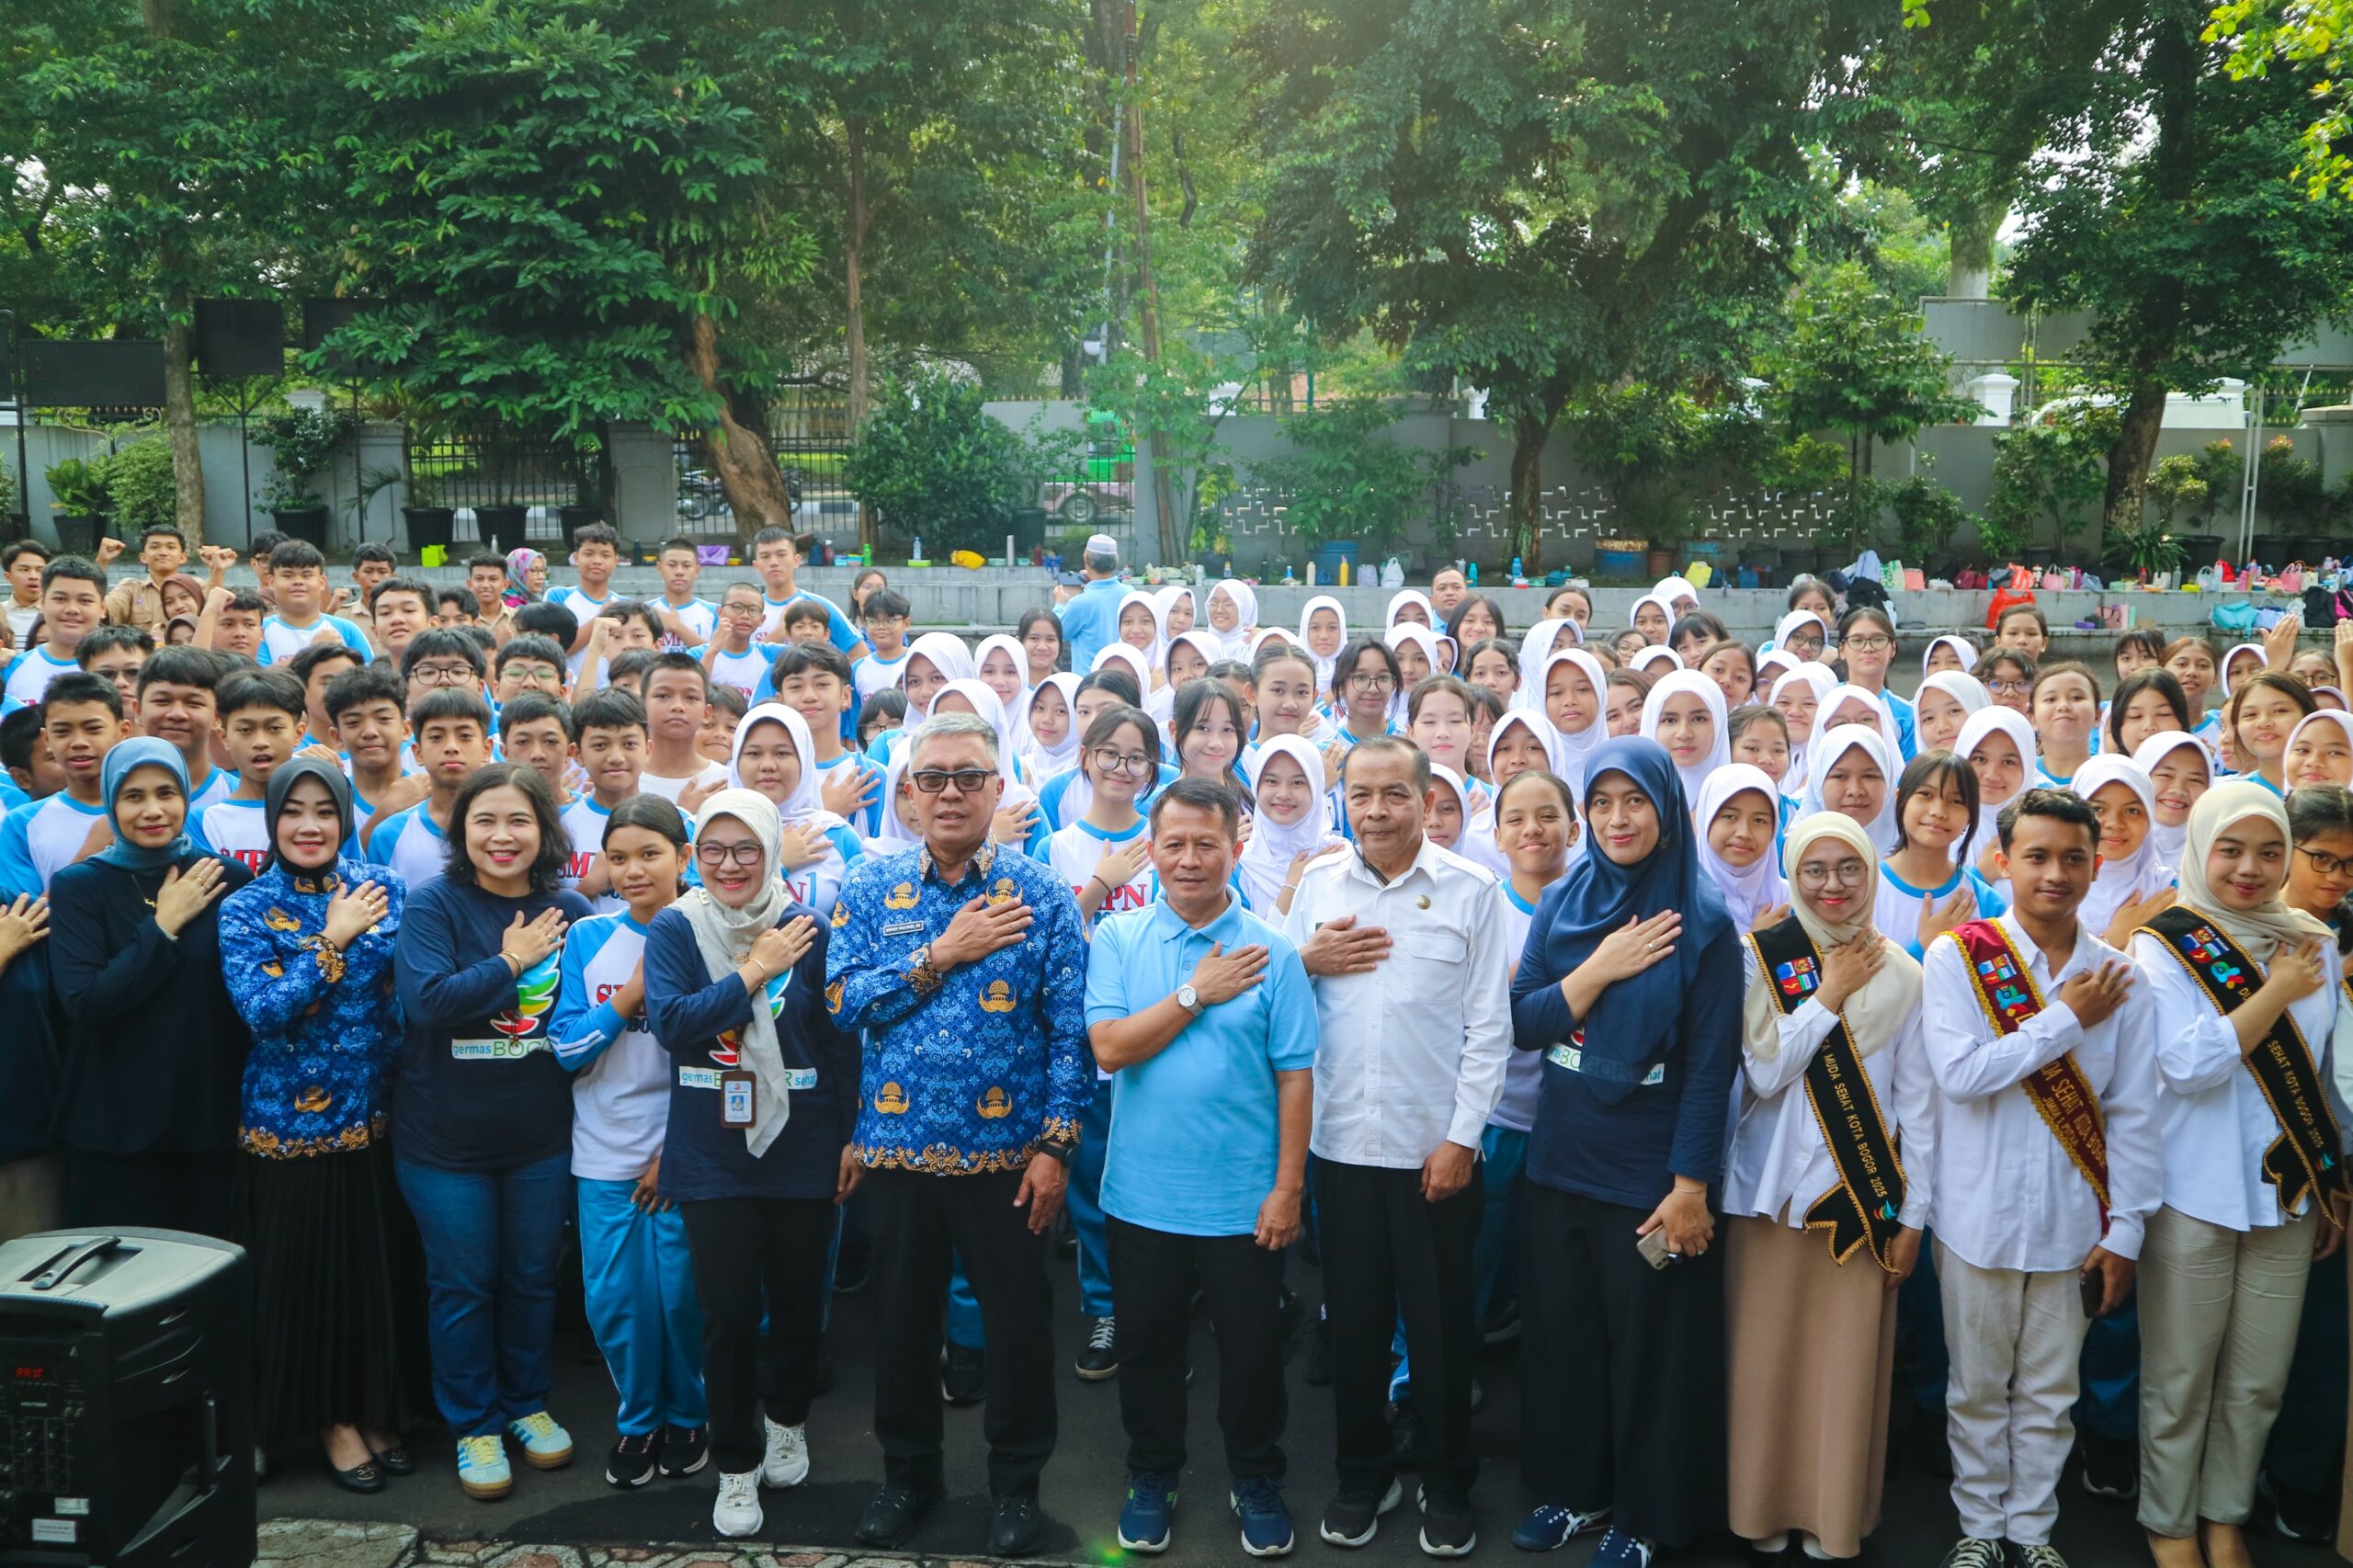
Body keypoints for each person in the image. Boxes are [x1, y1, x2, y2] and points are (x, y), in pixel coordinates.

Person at [825, 710, 1090, 1557]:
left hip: (1008, 1161)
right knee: (900, 1328)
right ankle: (909, 1476)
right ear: (906, 792)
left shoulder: (1040, 894)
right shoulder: (871, 890)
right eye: (930, 777)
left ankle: (1016, 1487)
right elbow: (842, 1004)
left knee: (1017, 1329)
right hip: (898, 1154)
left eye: (966, 776)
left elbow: (1068, 1032)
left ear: (997, 787)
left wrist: (1055, 1148)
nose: (947, 792)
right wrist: (940, 953)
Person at [1507, 736, 1742, 1567]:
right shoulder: (1566, 899)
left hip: (1649, 1174)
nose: (1617, 818)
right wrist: (1598, 969)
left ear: (1666, 811)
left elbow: (1712, 1069)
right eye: (1601, 802)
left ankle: (1643, 1516)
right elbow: (1528, 1021)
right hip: (1561, 1160)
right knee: (1565, 1339)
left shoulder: (1705, 923)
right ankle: (1575, 1492)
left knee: (1652, 1354)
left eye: (1634, 801)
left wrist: (1689, 1188)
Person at [1917, 788, 2159, 1568]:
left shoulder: (2121, 978)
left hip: (2072, 1222)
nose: (2055, 873)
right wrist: (2063, 1021)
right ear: (2003, 862)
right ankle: (1980, 1528)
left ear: (2096, 866)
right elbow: (1959, 1075)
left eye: (2073, 858)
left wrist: (2126, 1229)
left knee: (2052, 1395)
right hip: (1975, 1216)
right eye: (2037, 856)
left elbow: (2134, 1115)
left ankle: (2032, 1532)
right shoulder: (1959, 956)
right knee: (1978, 1388)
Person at [1285, 735, 1510, 1555]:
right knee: (1353, 1327)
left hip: (1435, 1160)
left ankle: (1449, 1483)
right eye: (1361, 795)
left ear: (1427, 800)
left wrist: (1461, 1139)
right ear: (1342, 798)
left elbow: (1490, 1028)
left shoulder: (1471, 891)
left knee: (1444, 1331)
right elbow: (1282, 1009)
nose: (1376, 811)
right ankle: (1363, 1473)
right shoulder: (1315, 887)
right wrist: (1303, 959)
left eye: (1395, 795)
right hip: (1341, 1150)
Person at [1087, 779, 1317, 1556]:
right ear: (1150, 849)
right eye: (1174, 843)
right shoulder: (1119, 942)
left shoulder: (1274, 950)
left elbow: (1295, 1074)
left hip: (1244, 1200)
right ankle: (1151, 1474)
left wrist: (1288, 1188)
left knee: (1253, 1357)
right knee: (1150, 1351)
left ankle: (1255, 1477)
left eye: (1206, 844)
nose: (1189, 860)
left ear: (1236, 848)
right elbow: (1111, 1048)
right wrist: (1196, 992)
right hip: (1142, 1197)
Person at [2128, 782, 2342, 1568]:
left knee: (2258, 1380)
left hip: (2285, 1194)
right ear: (2201, 849)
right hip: (2193, 1189)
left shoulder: (2310, 937)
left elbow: (2316, 1075)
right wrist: (2275, 994)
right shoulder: (2163, 943)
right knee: (2181, 1374)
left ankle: (2225, 1513)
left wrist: (2328, 1184)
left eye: (2268, 851)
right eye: (2230, 849)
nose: (2250, 868)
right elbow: (2183, 1065)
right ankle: (2169, 1518)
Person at [642, 790, 862, 1537]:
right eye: (713, 850)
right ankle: (735, 1467)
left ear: (771, 852)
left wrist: (849, 1137)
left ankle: (789, 1420)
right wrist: (751, 973)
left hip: (802, 1147)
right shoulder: (677, 927)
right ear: (694, 856)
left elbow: (838, 1044)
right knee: (729, 1314)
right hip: (711, 1149)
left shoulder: (811, 929)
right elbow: (671, 1025)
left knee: (799, 1302)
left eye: (746, 850)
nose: (730, 865)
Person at [1726, 812, 1932, 1562]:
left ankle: (1832, 1511)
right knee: (1764, 1366)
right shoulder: (1760, 959)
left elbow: (1921, 1110)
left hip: (1860, 1202)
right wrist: (1831, 994)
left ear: (1873, 873)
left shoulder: (1905, 973)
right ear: (1792, 874)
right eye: (1815, 869)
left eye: (1850, 867)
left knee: (1841, 1372)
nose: (1834, 885)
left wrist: (1914, 1217)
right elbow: (1764, 1071)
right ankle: (1759, 1506)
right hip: (1771, 1197)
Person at [391, 762, 593, 1502]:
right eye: (485, 820)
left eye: (518, 821)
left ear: (543, 830)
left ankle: (526, 1404)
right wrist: (514, 959)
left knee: (534, 1277)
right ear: (460, 830)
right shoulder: (434, 905)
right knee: (464, 1284)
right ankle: (473, 1421)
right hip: (444, 1141)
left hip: (540, 1134)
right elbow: (430, 1004)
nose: (502, 836)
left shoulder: (569, 906)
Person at [218, 759, 419, 1492]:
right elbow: (264, 1013)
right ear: (272, 821)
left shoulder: (384, 888)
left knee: (373, 1278)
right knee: (313, 1283)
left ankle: (373, 1406)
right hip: (289, 1132)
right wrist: (330, 940)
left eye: (324, 810)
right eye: (293, 811)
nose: (309, 825)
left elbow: (404, 997)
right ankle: (331, 1422)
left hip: (381, 1119)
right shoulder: (245, 908)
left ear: (344, 816)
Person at [47, 736, 254, 1234]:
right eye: (133, 796)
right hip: (116, 1126)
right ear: (112, 804)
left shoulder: (223, 876)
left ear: (186, 796)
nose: (153, 810)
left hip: (209, 1119)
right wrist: (163, 926)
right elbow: (87, 1002)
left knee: (210, 1277)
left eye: (167, 793)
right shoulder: (79, 886)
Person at [1056, 533, 1128, 673]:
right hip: (1121, 678)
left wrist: (1059, 604)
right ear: (1115, 561)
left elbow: (1058, 632)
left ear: (1086, 559)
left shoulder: (1080, 603)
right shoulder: (1129, 593)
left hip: (1088, 682)